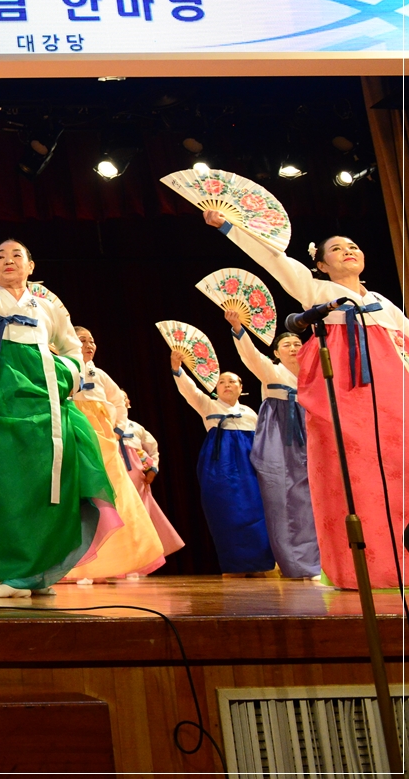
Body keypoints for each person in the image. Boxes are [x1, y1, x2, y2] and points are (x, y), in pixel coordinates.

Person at [0, 181, 117, 599]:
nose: (7, 260)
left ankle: (37, 570)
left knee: (39, 481)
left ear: (31, 266)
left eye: (16, 255)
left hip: (40, 395)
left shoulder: (48, 307)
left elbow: (71, 348)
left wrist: (63, 373)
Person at [207, 213, 405, 589]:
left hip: (393, 401)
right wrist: (228, 226)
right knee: (355, 481)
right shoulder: (318, 293)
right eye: (336, 248)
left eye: (353, 246)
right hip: (348, 401)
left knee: (399, 477)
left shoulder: (386, 306)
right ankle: (362, 568)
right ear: (320, 264)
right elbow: (275, 260)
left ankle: (403, 562)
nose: (348, 251)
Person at [225, 308, 320, 579]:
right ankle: (298, 563)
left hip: (313, 430)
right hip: (281, 434)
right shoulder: (271, 371)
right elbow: (250, 355)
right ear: (276, 353)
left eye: (297, 344)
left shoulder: (314, 373)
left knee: (317, 495)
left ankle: (326, 560)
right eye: (286, 345)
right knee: (284, 497)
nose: (292, 348)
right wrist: (239, 329)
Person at [66, 327, 165, 582]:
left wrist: (118, 429)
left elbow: (118, 400)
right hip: (75, 432)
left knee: (114, 495)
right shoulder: (62, 368)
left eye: (92, 340)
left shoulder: (99, 374)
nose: (89, 344)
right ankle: (81, 565)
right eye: (82, 340)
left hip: (103, 437)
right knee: (81, 495)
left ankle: (121, 561)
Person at [170, 351, 274, 574]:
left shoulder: (250, 413)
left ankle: (260, 564)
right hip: (219, 466)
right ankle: (233, 565)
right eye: (222, 382)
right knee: (225, 513)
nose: (227, 385)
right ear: (215, 387)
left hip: (249, 467)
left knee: (255, 511)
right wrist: (177, 368)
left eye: (232, 381)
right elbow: (190, 391)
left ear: (240, 386)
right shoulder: (208, 406)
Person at [115, 393, 185, 570]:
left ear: (127, 403)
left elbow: (153, 451)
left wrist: (153, 469)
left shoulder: (137, 428)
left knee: (137, 518)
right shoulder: (104, 425)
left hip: (136, 478)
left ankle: (136, 564)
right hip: (114, 475)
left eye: (122, 398)